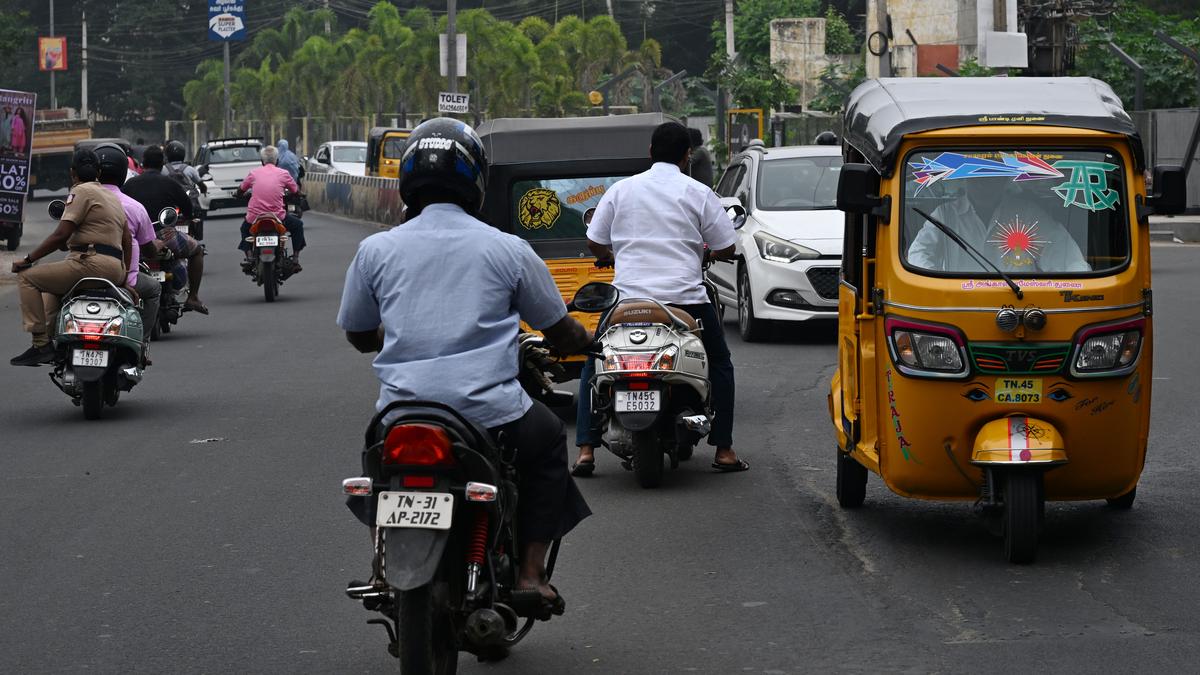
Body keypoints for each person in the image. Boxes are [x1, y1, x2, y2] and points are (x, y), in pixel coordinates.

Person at [337, 118, 593, 612]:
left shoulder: (376, 250)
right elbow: (559, 329)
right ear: (476, 180)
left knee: (378, 464)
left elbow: (357, 335)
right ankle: (531, 574)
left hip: (400, 414)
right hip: (490, 413)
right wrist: (585, 339)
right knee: (545, 443)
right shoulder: (507, 249)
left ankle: (382, 563)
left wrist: (396, 332)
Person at [573, 121, 748, 475]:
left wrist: (610, 255)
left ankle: (586, 450)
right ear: (687, 156)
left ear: (651, 153)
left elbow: (594, 239)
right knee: (720, 363)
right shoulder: (697, 192)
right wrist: (709, 254)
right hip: (685, 301)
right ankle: (724, 449)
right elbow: (726, 244)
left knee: (593, 361)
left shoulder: (622, 190)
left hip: (626, 303)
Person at [10, 148, 132, 366]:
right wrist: (125, 274)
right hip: (115, 267)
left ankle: (41, 345)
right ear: (98, 172)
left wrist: (28, 259)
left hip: (90, 264)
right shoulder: (112, 198)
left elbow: (60, 235)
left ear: (72, 173)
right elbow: (127, 240)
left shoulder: (81, 191)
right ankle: (54, 340)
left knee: (27, 278)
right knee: (54, 289)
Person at [907, 177, 1089, 273]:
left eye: (991, 178)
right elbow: (919, 253)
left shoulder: (1028, 214)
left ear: (1004, 180)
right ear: (966, 180)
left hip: (1022, 305)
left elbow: (1068, 258)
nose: (983, 184)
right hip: (959, 303)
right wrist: (934, 287)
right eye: (977, 177)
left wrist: (1079, 290)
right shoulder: (946, 214)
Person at [122, 145, 210, 314]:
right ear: (162, 164)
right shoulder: (169, 183)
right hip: (165, 235)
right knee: (197, 251)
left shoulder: (129, 185)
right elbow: (188, 210)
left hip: (136, 239)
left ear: (143, 164)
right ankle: (193, 297)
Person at [95, 142, 162, 333]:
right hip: (123, 278)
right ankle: (141, 339)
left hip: (82, 274)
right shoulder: (133, 207)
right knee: (155, 288)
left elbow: (64, 241)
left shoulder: (78, 201)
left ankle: (47, 341)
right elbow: (149, 249)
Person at [236, 145, 306, 269]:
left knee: (244, 229)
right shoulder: (283, 173)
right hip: (278, 216)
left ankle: (249, 256)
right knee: (298, 226)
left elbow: (241, 189)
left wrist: (238, 194)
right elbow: (295, 190)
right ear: (277, 161)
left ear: (262, 161)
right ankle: (295, 258)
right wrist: (299, 194)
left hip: (254, 217)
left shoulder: (254, 173)